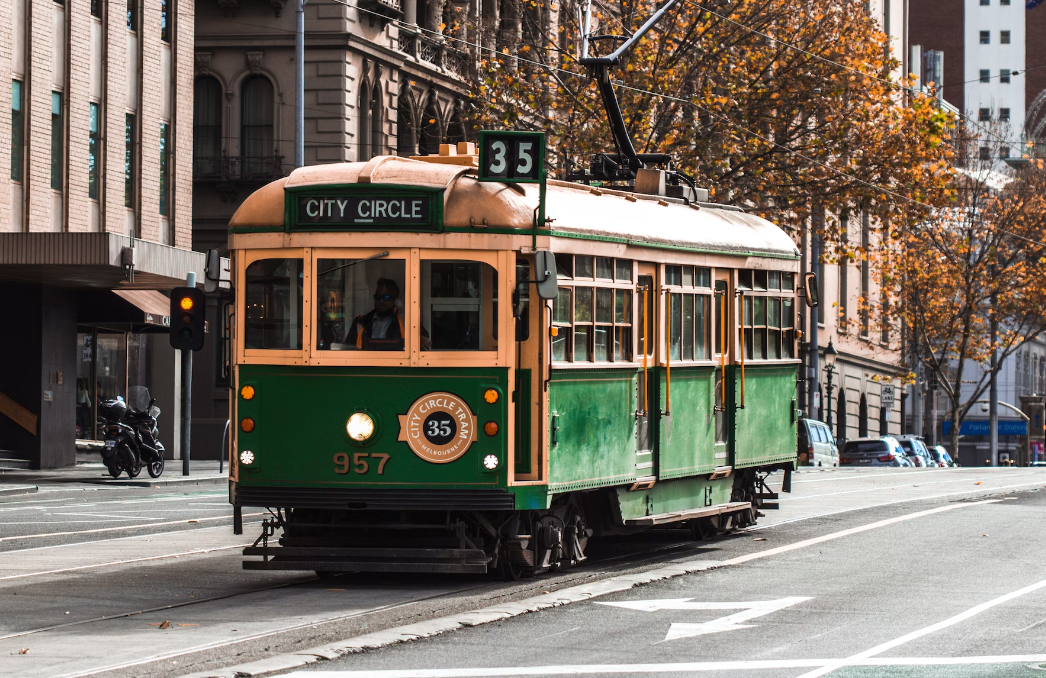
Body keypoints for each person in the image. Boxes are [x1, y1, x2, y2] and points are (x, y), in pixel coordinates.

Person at [345, 279, 431, 350]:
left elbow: (423, 339)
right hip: (364, 369)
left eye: (386, 297)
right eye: (378, 298)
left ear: (395, 300)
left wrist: (420, 339)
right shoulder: (360, 322)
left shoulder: (406, 321)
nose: (381, 301)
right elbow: (347, 349)